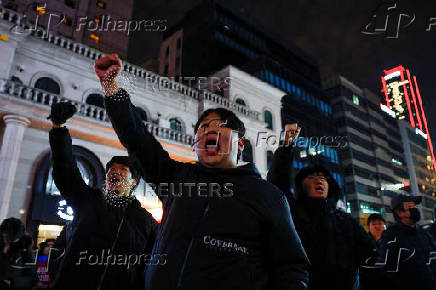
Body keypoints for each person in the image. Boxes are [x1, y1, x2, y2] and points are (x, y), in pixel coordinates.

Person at [95, 53, 310, 290]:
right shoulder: (176, 179)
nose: (211, 129)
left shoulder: (268, 196)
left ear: (240, 144)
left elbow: (291, 267)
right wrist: (111, 87)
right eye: (204, 126)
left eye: (221, 126)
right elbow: (137, 138)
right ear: (195, 142)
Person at [47, 102, 158, 290]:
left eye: (123, 170)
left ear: (134, 182)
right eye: (111, 170)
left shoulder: (146, 223)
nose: (115, 172)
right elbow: (65, 169)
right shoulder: (88, 200)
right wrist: (59, 129)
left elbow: (150, 268)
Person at [266, 123, 377, 290]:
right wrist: (287, 145)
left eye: (324, 178)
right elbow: (277, 181)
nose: (319, 180)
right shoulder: (291, 211)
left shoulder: (345, 221)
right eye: (312, 177)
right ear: (300, 186)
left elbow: (371, 258)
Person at [378, 194, 436, 290]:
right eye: (410, 206)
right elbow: (388, 270)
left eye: (414, 206)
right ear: (399, 212)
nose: (415, 209)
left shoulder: (423, 232)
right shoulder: (391, 236)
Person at [0, 218, 36, 290]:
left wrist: (13, 282)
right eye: (4, 237)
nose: (6, 241)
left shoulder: (25, 251)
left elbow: (32, 279)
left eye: (10, 240)